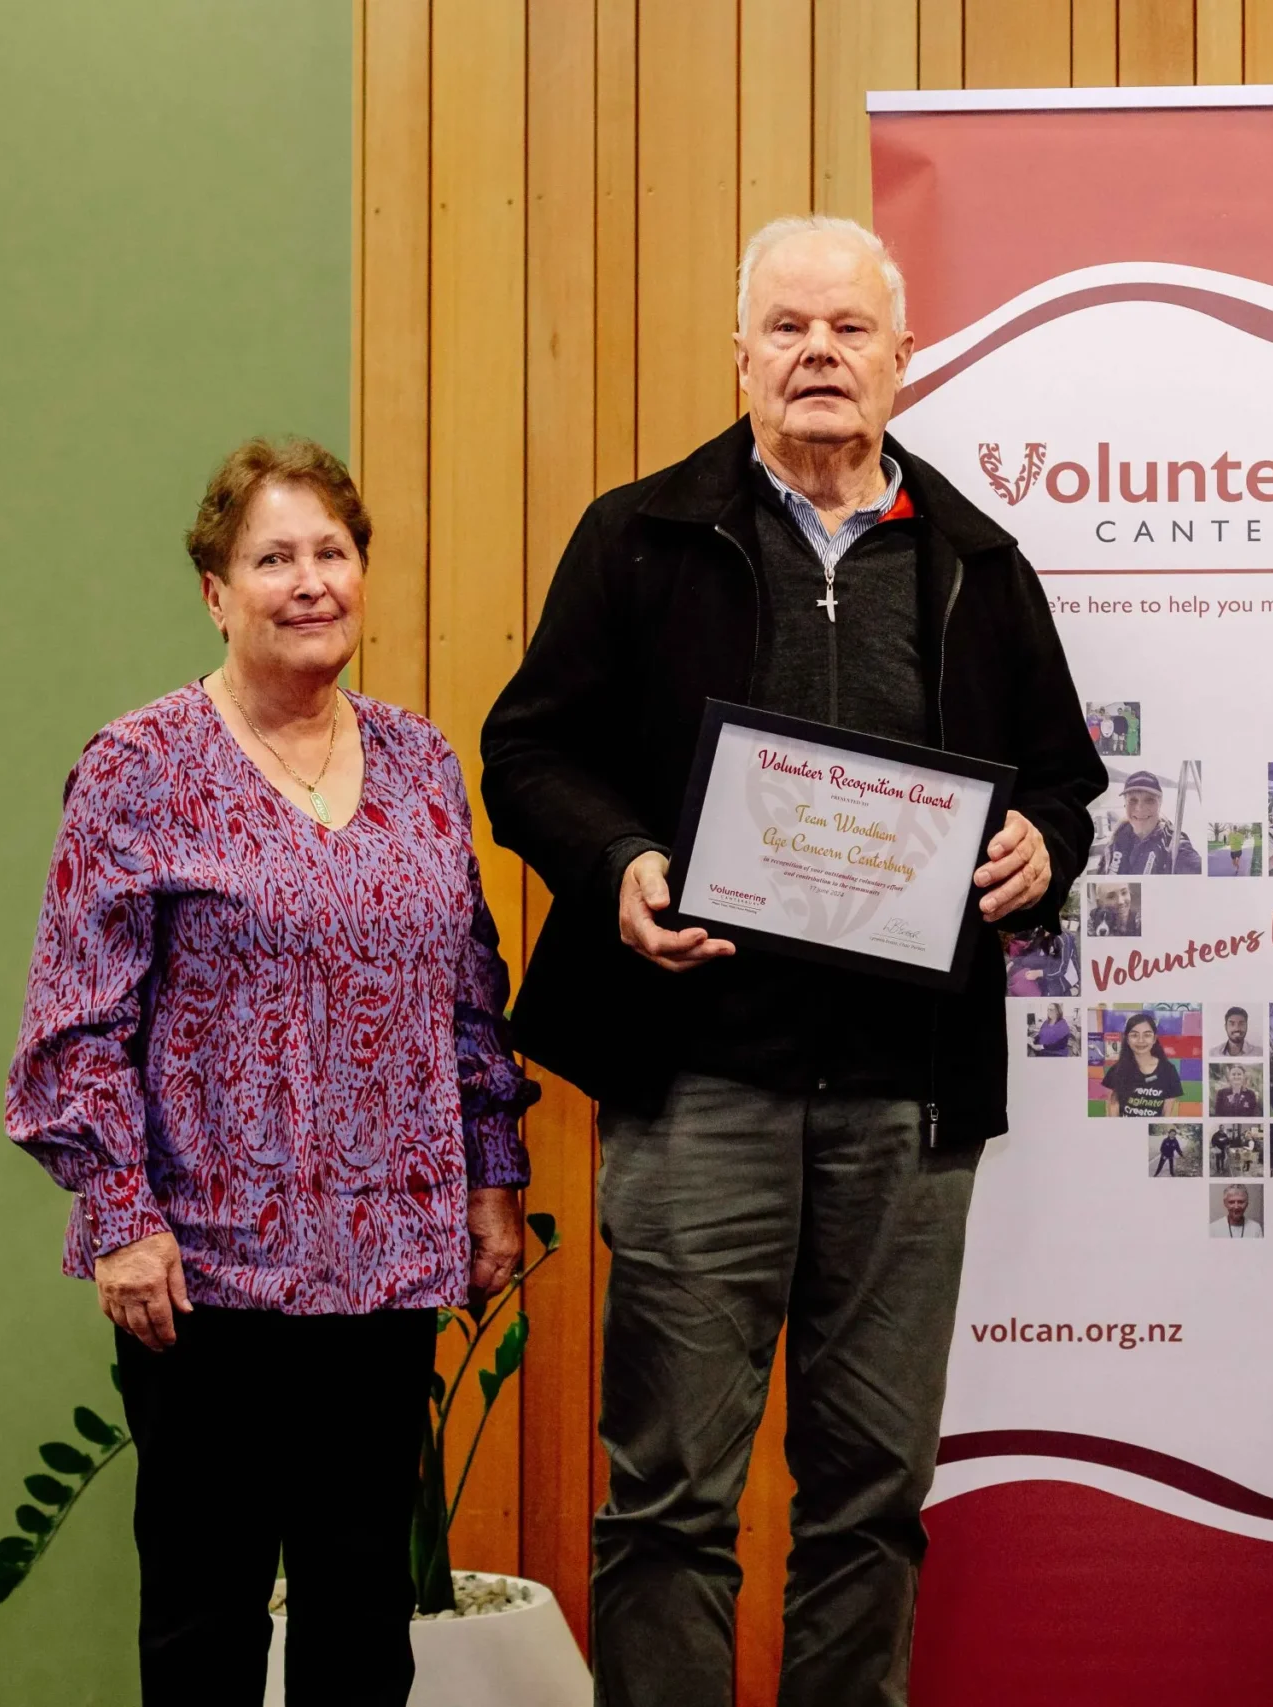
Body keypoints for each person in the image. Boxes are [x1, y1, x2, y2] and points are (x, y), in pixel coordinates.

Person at [477, 215, 1103, 1703]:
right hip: (698, 1086)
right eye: (788, 327)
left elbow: (1063, 783)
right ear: (741, 356)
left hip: (905, 1101)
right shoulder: (639, 537)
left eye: (848, 328)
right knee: (669, 1502)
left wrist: (1043, 847)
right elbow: (528, 752)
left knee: (871, 1501)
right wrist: (622, 862)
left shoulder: (976, 559)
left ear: (903, 357)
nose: (819, 352)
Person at [5, 440, 536, 1706]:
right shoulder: (139, 767)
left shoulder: (420, 761)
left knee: (362, 1619)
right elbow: (75, 1023)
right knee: (206, 1617)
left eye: (332, 554)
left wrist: (492, 1180)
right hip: (204, 1276)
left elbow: (468, 991)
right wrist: (121, 1221)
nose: (310, 583)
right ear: (215, 592)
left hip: (386, 1271)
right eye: (273, 559)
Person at [1100, 770, 1199, 874]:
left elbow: (1193, 864)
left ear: (1160, 803)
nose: (1140, 808)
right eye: (1133, 800)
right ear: (1125, 803)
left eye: (1149, 800)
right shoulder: (1115, 839)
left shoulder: (1172, 844)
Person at [1100, 1011, 1186, 1118]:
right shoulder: (1116, 1070)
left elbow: (1167, 1114)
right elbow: (1113, 1108)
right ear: (1127, 1039)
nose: (1141, 1040)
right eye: (1134, 1035)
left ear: (1154, 1039)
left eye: (1147, 1035)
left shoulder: (1168, 1071)